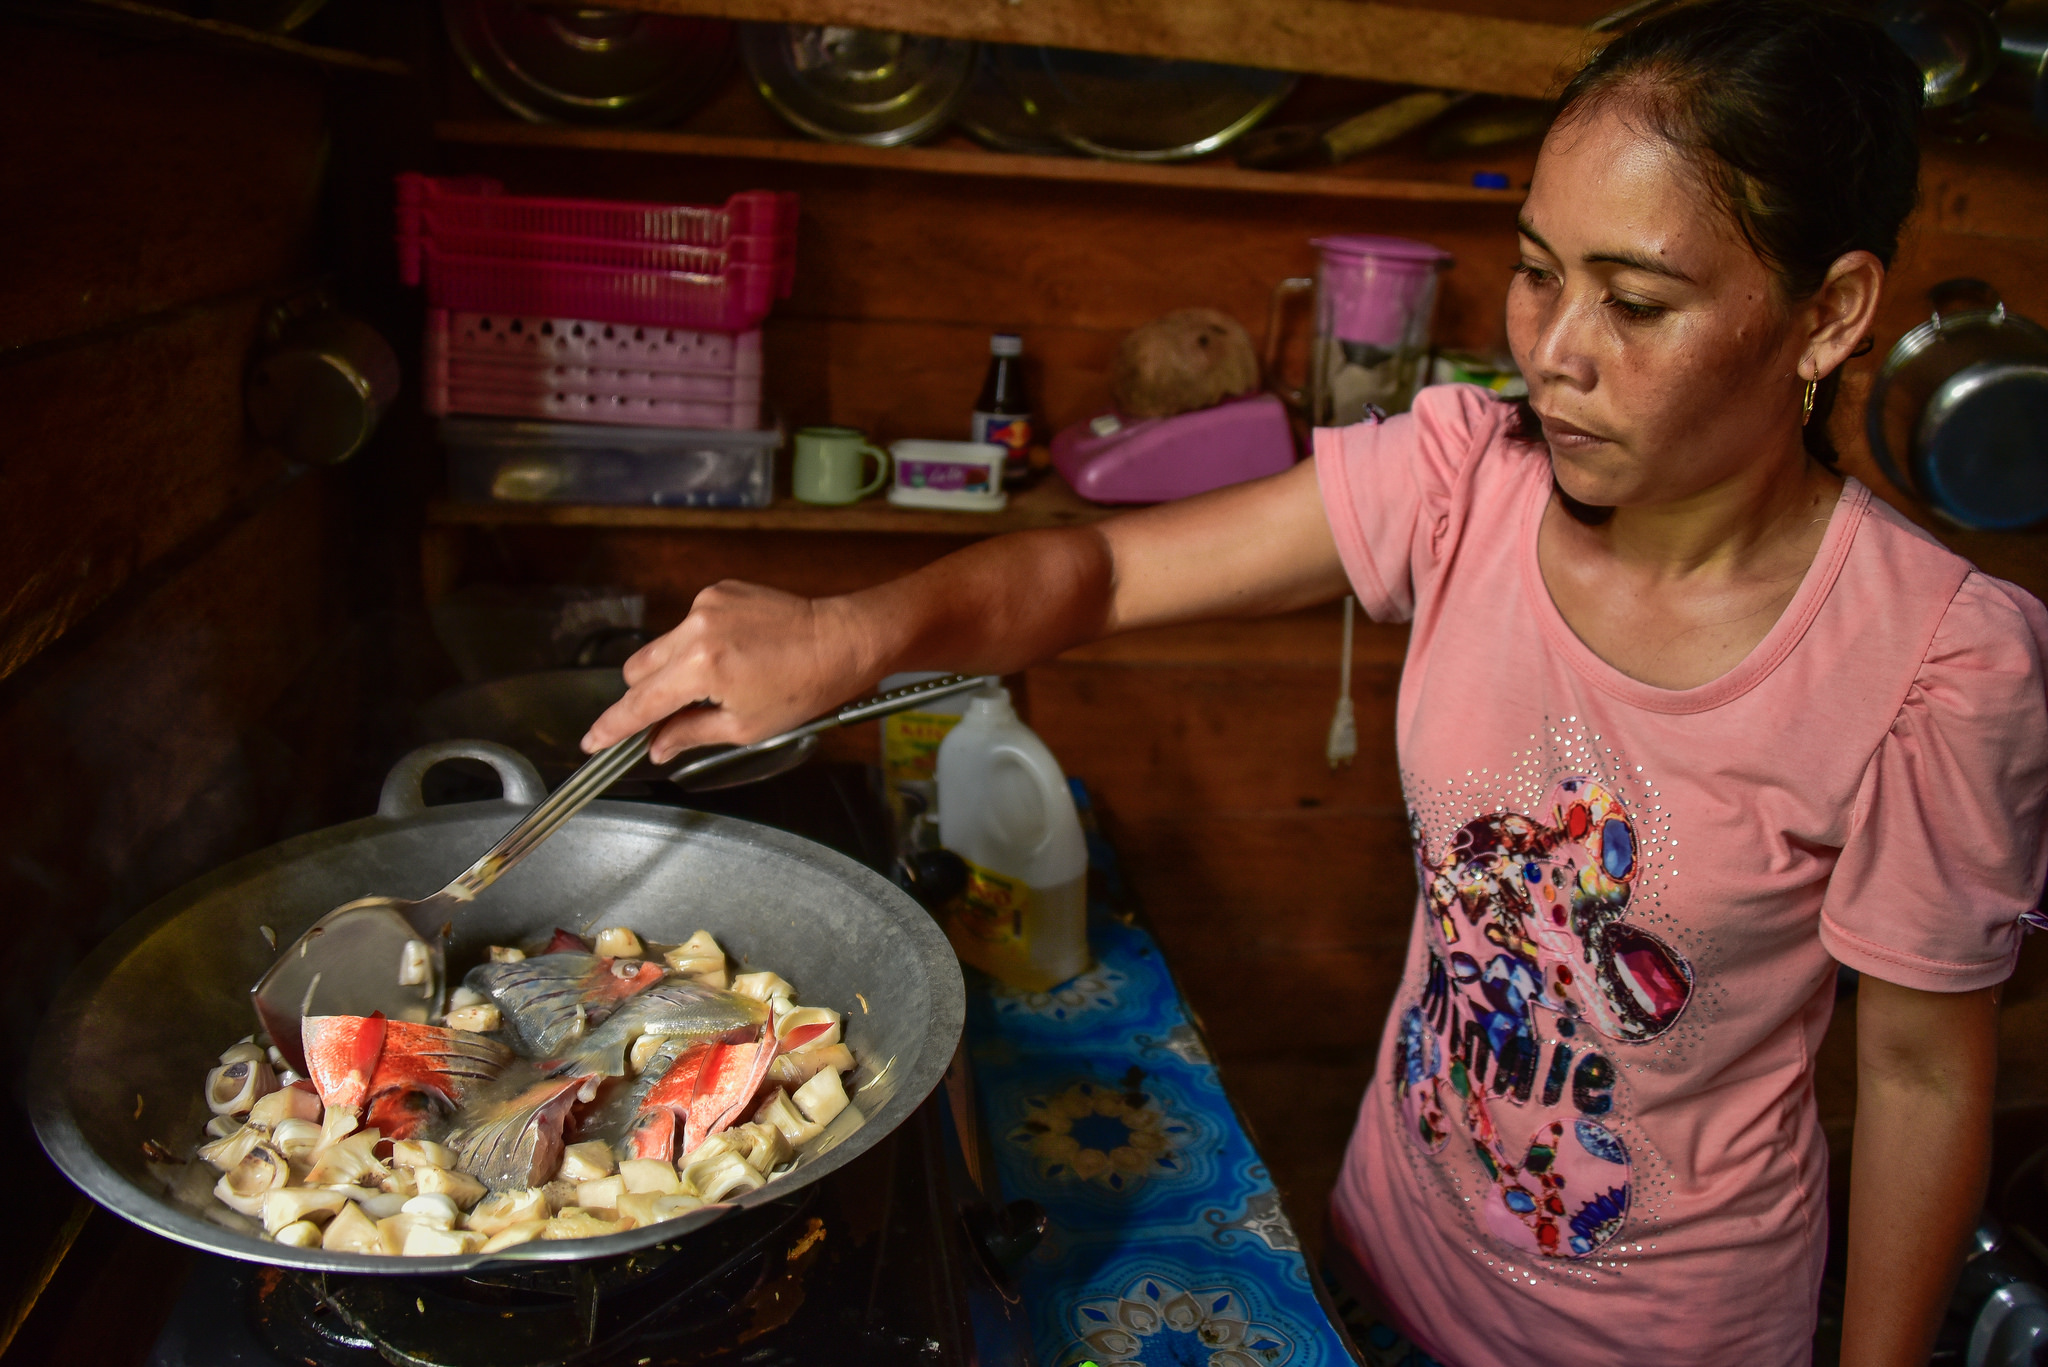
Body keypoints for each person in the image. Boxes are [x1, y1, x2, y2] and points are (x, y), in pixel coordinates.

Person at [583, 2, 2048, 1360]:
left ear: (1833, 314)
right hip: (1383, 1251)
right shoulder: (1463, 478)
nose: (1558, 356)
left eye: (1640, 303)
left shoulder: (1936, 664)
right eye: (1538, 275)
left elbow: (1921, 1082)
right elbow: (1101, 574)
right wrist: (850, 630)